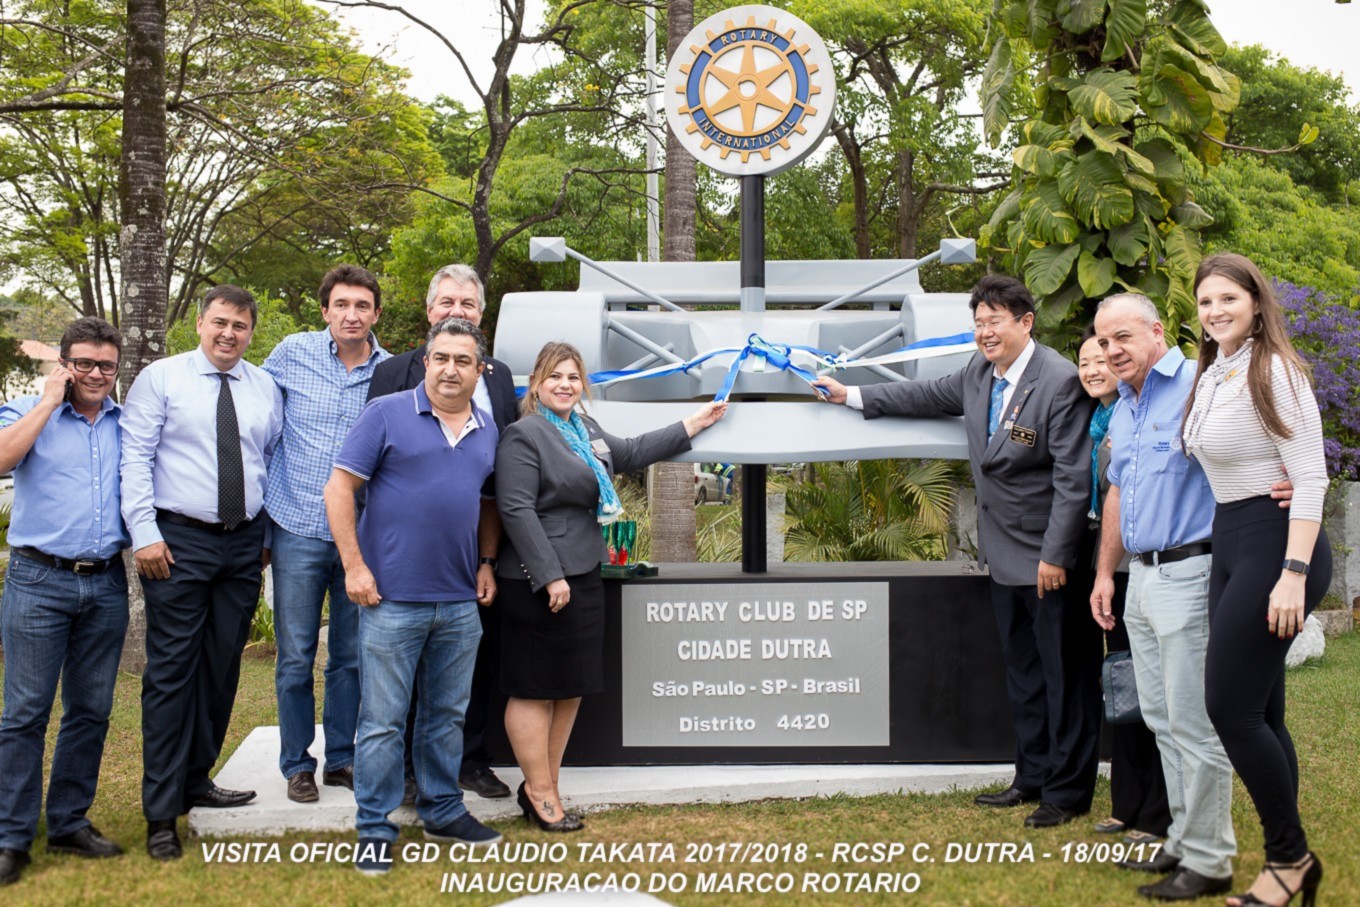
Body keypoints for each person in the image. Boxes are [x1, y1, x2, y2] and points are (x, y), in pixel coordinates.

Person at [813, 275, 1100, 830]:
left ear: (1026, 323)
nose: (985, 332)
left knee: (1065, 679)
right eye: (979, 323)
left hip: (1048, 562)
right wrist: (851, 395)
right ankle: (1031, 777)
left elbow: (1072, 479)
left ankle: (1067, 793)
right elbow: (923, 395)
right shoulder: (978, 373)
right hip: (1002, 557)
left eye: (995, 321)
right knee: (1024, 675)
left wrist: (1057, 556)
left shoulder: (1059, 380)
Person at [495, 341, 725, 831]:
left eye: (573, 377)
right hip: (539, 581)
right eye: (555, 376)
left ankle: (545, 786)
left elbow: (635, 452)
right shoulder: (524, 434)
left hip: (584, 571)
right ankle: (540, 792)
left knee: (569, 686)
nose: (565, 385)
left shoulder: (586, 430)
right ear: (536, 383)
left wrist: (695, 423)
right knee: (534, 688)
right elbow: (515, 509)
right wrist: (549, 575)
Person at [325, 317, 504, 876]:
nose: (451, 369)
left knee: (446, 716)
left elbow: (488, 503)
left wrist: (486, 562)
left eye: (463, 360)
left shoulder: (487, 429)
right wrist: (354, 566)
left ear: (480, 370)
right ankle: (375, 828)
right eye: (441, 358)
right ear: (426, 362)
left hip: (458, 601)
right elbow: (339, 488)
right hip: (391, 599)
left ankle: (443, 810)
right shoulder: (386, 413)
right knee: (383, 721)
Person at [1183, 254, 1330, 907]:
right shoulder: (1215, 370)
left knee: (1229, 707)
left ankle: (1288, 858)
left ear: (1255, 302)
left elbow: (1312, 477)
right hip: (1233, 538)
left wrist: (1293, 574)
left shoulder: (1275, 369)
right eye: (1205, 301)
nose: (1215, 311)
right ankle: (1291, 853)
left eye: (1228, 298)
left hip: (1276, 545)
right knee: (1262, 711)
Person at [120, 285, 283, 861]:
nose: (228, 334)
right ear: (198, 323)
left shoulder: (263, 386)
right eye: (219, 322)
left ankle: (196, 779)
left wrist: (265, 536)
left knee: (220, 669)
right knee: (172, 675)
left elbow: (270, 460)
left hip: (243, 544)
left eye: (239, 326)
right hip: (176, 542)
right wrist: (145, 533)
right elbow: (135, 457)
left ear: (251, 332)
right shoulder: (161, 379)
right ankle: (161, 814)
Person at [1090, 292, 1237, 901]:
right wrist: (1106, 572)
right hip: (1142, 579)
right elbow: (1118, 491)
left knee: (1192, 722)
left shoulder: (1202, 384)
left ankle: (1211, 859)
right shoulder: (1125, 406)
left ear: (1156, 332)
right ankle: (1181, 839)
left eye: (1122, 337)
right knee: (1158, 718)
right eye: (1103, 341)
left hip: (1191, 573)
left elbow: (1257, 454)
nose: (1111, 351)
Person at [367, 264, 516, 802]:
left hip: (474, 552)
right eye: (447, 302)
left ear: (482, 315)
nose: (457, 311)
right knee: (402, 673)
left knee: (472, 663)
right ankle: (408, 771)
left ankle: (468, 760)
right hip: (404, 558)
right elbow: (367, 469)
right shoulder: (393, 374)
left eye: (468, 304)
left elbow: (497, 475)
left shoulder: (499, 377)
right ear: (430, 311)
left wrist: (487, 558)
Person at [0, 318, 129, 887]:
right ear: (64, 364)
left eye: (106, 365)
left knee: (91, 710)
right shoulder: (29, 410)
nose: (95, 374)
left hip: (105, 583)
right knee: (25, 712)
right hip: (38, 580)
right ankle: (11, 835)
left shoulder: (127, 424)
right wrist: (49, 401)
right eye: (84, 363)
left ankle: (69, 822)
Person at [262, 264, 389, 803]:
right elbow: (259, 422)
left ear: (375, 313)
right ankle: (297, 764)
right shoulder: (290, 353)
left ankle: (341, 758)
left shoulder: (391, 371)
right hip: (297, 525)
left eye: (362, 306)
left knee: (351, 657)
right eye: (341, 304)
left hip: (360, 538)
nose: (351, 315)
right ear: (325, 310)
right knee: (294, 656)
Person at [1076, 326, 1171, 844]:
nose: (1096, 367)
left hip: (1153, 565)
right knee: (1124, 684)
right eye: (1086, 361)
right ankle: (1127, 804)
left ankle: (1158, 811)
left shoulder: (1145, 411)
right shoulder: (1103, 420)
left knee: (1155, 691)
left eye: (1104, 357)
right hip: (1114, 566)